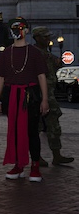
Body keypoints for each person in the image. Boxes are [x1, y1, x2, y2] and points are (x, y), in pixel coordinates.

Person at [0, 17, 48, 182]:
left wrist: (44, 100)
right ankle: (19, 165)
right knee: (15, 131)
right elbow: (1, 78)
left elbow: (41, 76)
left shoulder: (34, 52)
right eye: (15, 28)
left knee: (32, 131)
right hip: (12, 95)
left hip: (30, 95)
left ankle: (35, 166)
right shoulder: (6, 53)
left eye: (20, 28)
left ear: (26, 31)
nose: (18, 31)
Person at [32, 26, 74, 166]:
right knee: (35, 127)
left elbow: (54, 68)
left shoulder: (47, 54)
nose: (48, 39)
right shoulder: (33, 53)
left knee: (54, 125)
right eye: (45, 37)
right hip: (36, 94)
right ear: (37, 38)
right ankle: (36, 157)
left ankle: (57, 155)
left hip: (49, 94)